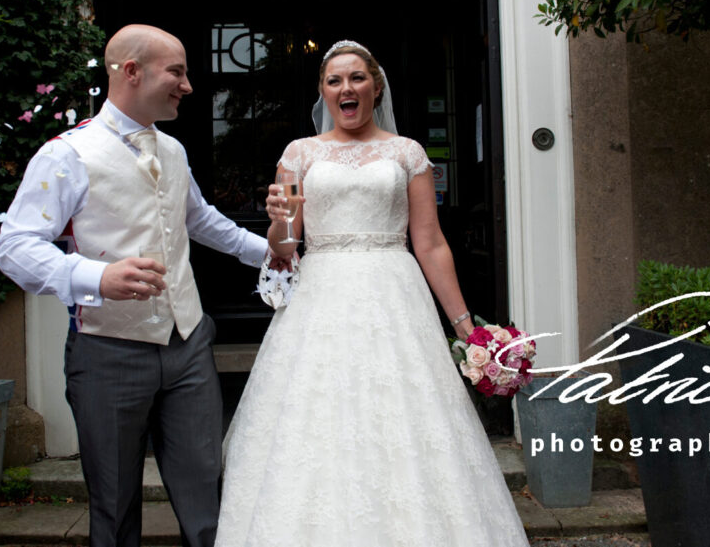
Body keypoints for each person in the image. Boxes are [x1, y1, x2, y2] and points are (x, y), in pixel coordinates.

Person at [215, 41, 530, 546]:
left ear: (375, 86)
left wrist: (467, 328)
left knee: (405, 412)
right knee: (318, 414)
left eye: (357, 78)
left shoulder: (406, 153)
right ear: (322, 91)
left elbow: (429, 243)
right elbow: (286, 248)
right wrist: (277, 224)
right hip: (320, 298)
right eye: (335, 80)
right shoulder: (300, 154)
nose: (347, 88)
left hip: (394, 294)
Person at [0, 25, 273, 547]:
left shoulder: (171, 150)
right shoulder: (66, 154)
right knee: (115, 508)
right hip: (107, 353)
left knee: (209, 498)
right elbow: (14, 246)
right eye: (177, 72)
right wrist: (95, 276)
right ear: (131, 72)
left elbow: (201, 221)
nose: (187, 85)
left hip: (188, 344)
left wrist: (272, 253)